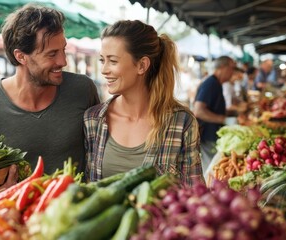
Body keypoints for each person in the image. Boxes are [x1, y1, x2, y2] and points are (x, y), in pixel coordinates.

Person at [0, 4, 100, 174]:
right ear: (21, 56)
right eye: (52, 54)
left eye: (63, 50)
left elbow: (100, 149)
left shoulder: (82, 89)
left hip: (80, 199)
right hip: (17, 201)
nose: (63, 61)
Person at [84, 20, 204, 186]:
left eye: (112, 61)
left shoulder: (182, 122)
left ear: (142, 65)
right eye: (102, 60)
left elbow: (195, 192)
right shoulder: (93, 119)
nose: (104, 70)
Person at [193, 56, 236, 173]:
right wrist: (224, 119)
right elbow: (199, 111)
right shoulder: (210, 83)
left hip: (213, 135)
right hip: (208, 136)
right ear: (222, 67)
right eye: (232, 68)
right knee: (212, 170)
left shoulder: (216, 83)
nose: (233, 72)